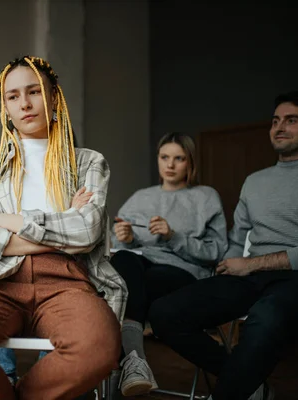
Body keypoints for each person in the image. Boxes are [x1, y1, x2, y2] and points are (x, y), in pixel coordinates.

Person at [0, 56, 126, 400]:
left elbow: (88, 231)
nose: (24, 103)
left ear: (53, 97)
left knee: (98, 346)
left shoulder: (88, 162)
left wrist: (12, 221)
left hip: (66, 280)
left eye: (34, 91)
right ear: (5, 107)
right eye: (13, 96)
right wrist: (60, 231)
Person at [149, 90, 298, 400]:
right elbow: (236, 241)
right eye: (275, 121)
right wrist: (221, 273)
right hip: (250, 276)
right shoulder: (255, 181)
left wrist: (253, 263)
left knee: (265, 317)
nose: (279, 127)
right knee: (165, 312)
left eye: (291, 120)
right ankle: (249, 383)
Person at [110, 132, 227, 396]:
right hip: (139, 267)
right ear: (158, 160)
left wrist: (173, 236)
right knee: (124, 259)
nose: (170, 165)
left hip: (182, 272)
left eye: (179, 158)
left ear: (191, 163)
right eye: (164, 157)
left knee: (126, 290)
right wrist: (126, 238)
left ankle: (129, 362)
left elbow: (215, 251)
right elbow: (116, 245)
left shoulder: (205, 197)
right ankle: (135, 363)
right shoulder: (141, 197)